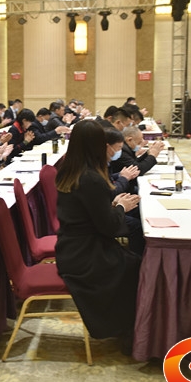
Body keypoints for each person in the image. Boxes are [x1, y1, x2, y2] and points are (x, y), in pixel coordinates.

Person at [54, 120, 141, 347]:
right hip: (85, 254)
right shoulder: (91, 178)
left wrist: (113, 206)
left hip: (71, 247)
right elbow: (109, 227)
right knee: (135, 266)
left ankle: (127, 327)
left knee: (132, 261)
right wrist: (121, 207)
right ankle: (127, 331)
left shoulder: (69, 170)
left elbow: (90, 214)